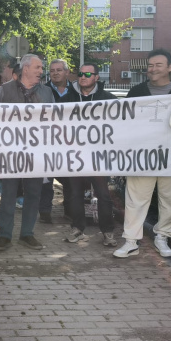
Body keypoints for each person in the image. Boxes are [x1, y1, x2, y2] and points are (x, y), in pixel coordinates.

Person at [114, 49, 171, 259]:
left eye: (158, 65)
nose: (153, 69)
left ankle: (162, 236)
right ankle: (131, 240)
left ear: (170, 68)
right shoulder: (137, 92)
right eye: (150, 65)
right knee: (136, 197)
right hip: (143, 154)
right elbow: (124, 122)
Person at [0, 54, 53, 252]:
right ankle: (4, 236)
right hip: (10, 154)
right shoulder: (5, 90)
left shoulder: (47, 92)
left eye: (41, 69)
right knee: (9, 193)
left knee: (33, 194)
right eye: (37, 68)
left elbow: (54, 120)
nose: (41, 72)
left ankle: (27, 234)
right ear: (25, 69)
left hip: (36, 153)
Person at [62, 64, 118, 246]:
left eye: (88, 74)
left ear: (96, 77)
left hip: (99, 156)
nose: (83, 77)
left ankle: (108, 232)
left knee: (103, 194)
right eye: (80, 73)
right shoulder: (68, 99)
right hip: (75, 155)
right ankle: (77, 228)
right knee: (75, 194)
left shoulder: (108, 99)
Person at [39, 59, 79, 224]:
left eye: (59, 70)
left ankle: (70, 211)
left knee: (70, 179)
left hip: (71, 141)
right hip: (47, 140)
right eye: (52, 70)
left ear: (67, 72)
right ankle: (45, 212)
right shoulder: (42, 91)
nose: (55, 73)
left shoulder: (77, 91)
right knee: (46, 179)